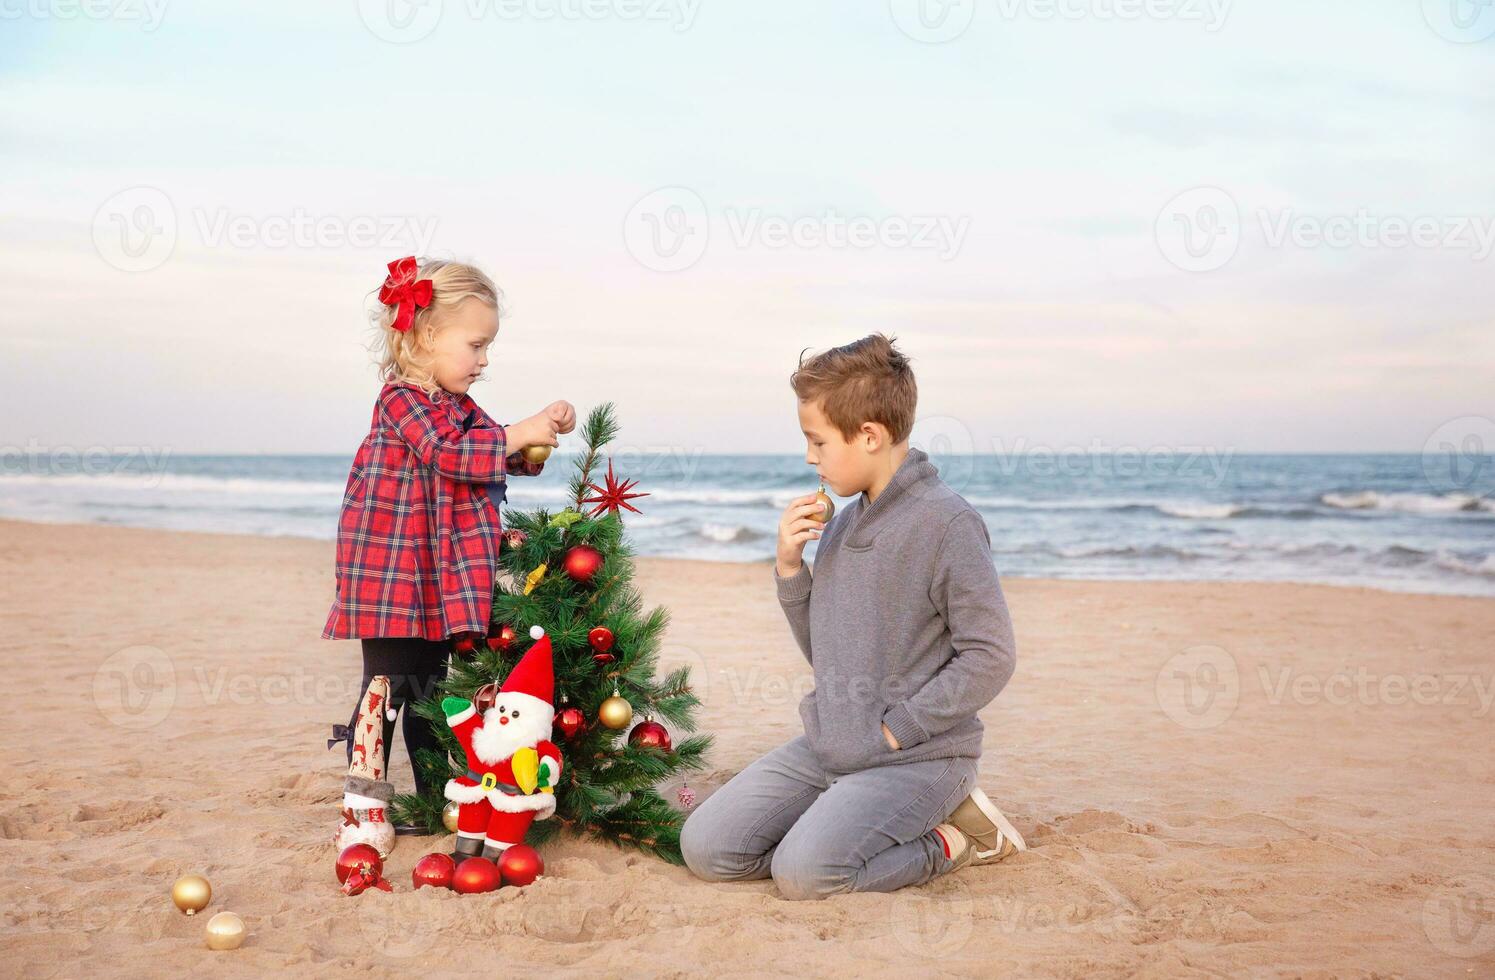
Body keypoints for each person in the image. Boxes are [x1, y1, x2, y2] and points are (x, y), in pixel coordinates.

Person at [680, 333, 1025, 899]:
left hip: (917, 757)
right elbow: (829, 649)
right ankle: (837, 820)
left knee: (805, 875)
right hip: (832, 746)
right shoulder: (842, 524)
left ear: (869, 435)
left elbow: (991, 656)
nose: (809, 457)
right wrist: (791, 567)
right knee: (708, 848)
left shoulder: (947, 524)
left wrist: (897, 730)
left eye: (817, 442)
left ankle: (950, 841)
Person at [323, 256, 575, 840]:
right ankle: (363, 809)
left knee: (433, 688)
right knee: (385, 689)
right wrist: (517, 432)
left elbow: (489, 448)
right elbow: (448, 453)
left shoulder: (459, 405)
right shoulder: (400, 401)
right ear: (429, 336)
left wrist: (535, 438)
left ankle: (432, 798)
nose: (484, 360)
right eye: (477, 345)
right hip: (391, 571)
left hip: (437, 573)